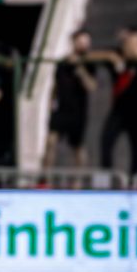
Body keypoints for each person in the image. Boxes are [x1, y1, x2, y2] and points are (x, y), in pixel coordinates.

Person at [43, 30, 99, 169]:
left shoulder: (89, 64)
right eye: (81, 42)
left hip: (78, 111)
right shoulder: (62, 63)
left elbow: (92, 86)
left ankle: (79, 179)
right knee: (51, 141)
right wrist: (51, 102)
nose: (84, 45)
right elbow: (55, 85)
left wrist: (79, 68)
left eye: (86, 43)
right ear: (74, 42)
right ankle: (45, 177)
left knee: (77, 147)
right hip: (61, 109)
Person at [100, 29, 137, 174]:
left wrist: (134, 42)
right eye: (129, 43)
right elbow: (99, 54)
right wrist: (112, 56)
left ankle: (134, 179)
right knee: (106, 140)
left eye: (136, 43)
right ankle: (106, 176)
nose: (132, 46)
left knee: (136, 147)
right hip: (119, 110)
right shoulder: (117, 58)